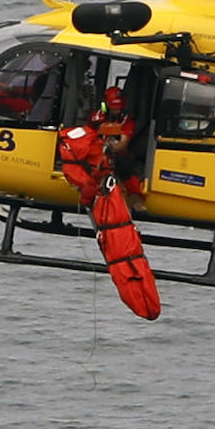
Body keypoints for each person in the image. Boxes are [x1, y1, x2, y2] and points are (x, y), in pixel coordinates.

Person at [57, 87, 159, 320]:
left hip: (113, 164)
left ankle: (135, 195)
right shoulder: (96, 119)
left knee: (121, 160)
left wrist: (108, 148)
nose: (115, 109)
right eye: (111, 105)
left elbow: (121, 146)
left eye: (117, 105)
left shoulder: (127, 121)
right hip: (97, 170)